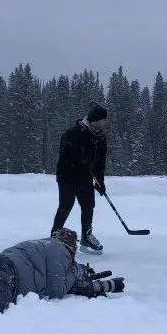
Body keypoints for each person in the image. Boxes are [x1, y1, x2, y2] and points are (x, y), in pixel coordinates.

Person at [52, 104, 109, 255]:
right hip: (67, 175)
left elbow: (99, 163)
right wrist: (81, 161)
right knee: (66, 204)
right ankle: (54, 236)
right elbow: (65, 155)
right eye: (103, 120)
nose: (105, 123)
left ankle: (86, 236)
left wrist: (100, 181)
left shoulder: (100, 138)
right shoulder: (74, 133)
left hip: (84, 177)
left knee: (89, 204)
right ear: (95, 120)